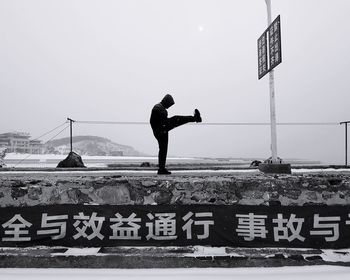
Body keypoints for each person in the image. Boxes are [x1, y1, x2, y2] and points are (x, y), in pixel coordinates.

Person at [150, 94, 202, 175]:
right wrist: (161, 128)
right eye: (170, 104)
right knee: (177, 119)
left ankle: (161, 169)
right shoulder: (158, 107)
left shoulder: (161, 108)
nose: (170, 106)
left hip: (161, 130)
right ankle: (195, 118)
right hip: (161, 129)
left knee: (163, 150)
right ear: (166, 101)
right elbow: (153, 121)